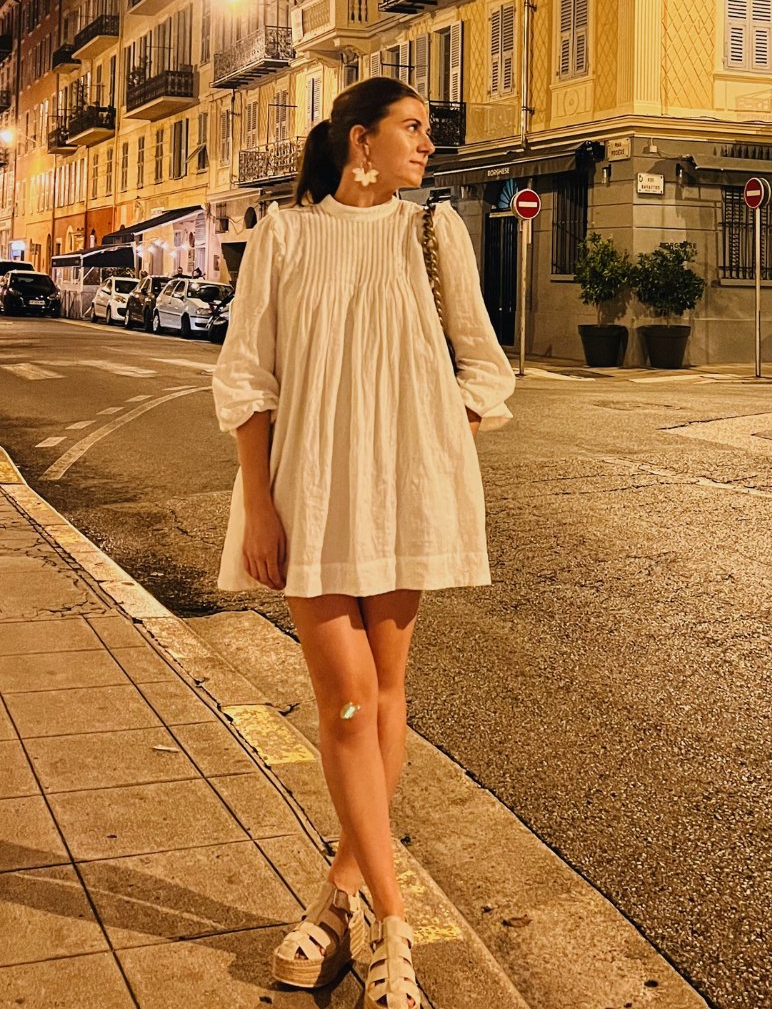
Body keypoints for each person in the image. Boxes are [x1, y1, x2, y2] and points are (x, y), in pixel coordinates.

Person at [211, 77, 515, 1007]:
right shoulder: (285, 234)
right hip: (306, 490)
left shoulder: (433, 232)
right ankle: (394, 921)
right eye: (413, 129)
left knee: (385, 694)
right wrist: (259, 506)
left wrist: (427, 443)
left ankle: (337, 899)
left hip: (403, 490)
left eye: (428, 132)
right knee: (343, 703)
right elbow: (247, 375)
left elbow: (482, 362)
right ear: (359, 141)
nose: (429, 144)